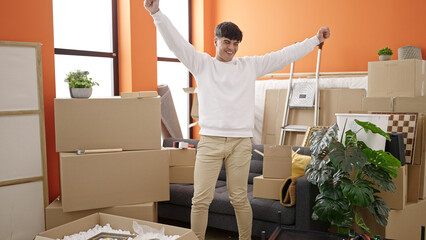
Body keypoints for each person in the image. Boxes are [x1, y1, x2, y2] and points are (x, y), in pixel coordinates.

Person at [144, 1, 330, 239]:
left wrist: (314, 40)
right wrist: (156, 13)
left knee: (239, 198)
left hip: (240, 143)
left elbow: (284, 55)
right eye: (226, 42)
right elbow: (177, 43)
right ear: (216, 41)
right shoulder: (202, 65)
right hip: (210, 142)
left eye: (235, 44)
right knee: (200, 200)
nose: (231, 48)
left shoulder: (248, 66)